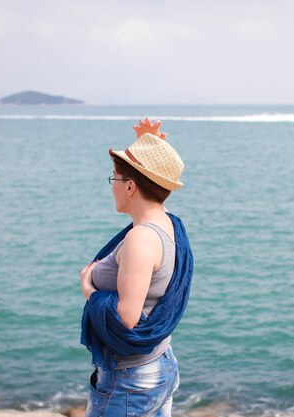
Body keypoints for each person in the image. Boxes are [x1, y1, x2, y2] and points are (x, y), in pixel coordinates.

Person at [79, 118, 193, 417]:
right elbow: (156, 183)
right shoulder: (167, 221)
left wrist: (89, 290)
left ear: (130, 186)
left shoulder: (141, 238)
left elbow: (126, 317)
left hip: (130, 380)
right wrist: (149, 144)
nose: (112, 186)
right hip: (160, 363)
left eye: (113, 179)